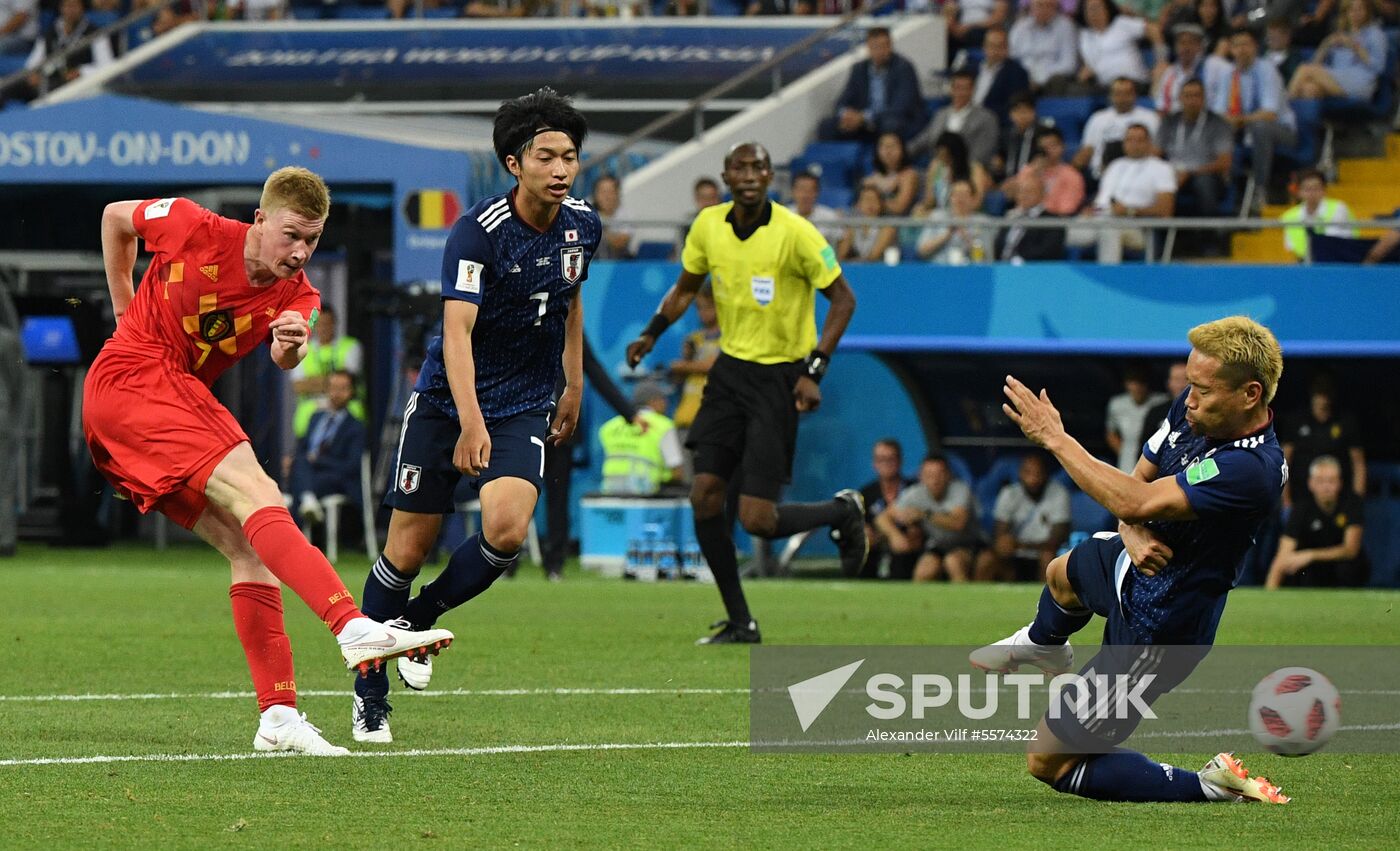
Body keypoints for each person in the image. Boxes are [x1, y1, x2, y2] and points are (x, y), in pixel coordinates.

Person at [84, 167, 453, 756]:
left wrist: (290, 346)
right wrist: (125, 307)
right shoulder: (191, 225)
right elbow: (113, 218)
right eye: (291, 235)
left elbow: (288, 357)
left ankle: (277, 715)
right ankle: (352, 627)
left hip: (143, 408)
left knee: (248, 545)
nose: (301, 251)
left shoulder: (299, 294)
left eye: (312, 240)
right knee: (262, 494)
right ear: (259, 220)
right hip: (135, 377)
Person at [351, 88, 597, 742]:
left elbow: (568, 303)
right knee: (406, 548)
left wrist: (572, 384)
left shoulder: (583, 225)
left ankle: (416, 622)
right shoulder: (476, 233)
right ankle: (369, 689)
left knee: (509, 528)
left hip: (522, 402)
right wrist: (469, 419)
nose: (561, 168)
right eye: (546, 156)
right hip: (446, 401)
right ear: (514, 164)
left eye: (569, 156)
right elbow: (455, 332)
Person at [971, 315, 1291, 805]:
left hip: (1159, 630)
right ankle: (1041, 645)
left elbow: (1135, 501)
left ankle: (1211, 785)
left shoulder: (1253, 470)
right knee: (1061, 575)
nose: (1189, 399)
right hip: (1132, 563)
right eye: (1188, 384)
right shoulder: (1192, 410)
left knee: (1047, 761)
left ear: (1250, 394)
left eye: (1203, 389)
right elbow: (1135, 488)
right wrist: (1131, 530)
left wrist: (1057, 439)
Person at [624, 141, 865, 645]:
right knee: (705, 495)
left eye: (759, 166)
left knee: (757, 519)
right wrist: (651, 331)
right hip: (730, 371)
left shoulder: (797, 233)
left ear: (770, 175)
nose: (751, 174)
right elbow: (687, 287)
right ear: (727, 175)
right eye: (741, 166)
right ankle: (740, 620)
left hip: (779, 376)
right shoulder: (708, 225)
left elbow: (843, 300)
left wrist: (814, 371)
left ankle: (841, 511)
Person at [1207, 28, 1296, 209]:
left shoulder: (1267, 70)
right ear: (1231, 50)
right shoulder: (1228, 74)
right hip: (1243, 130)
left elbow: (1269, 113)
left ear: (1255, 47)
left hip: (1281, 132)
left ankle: (1260, 189)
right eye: (1236, 46)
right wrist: (1230, 121)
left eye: (1245, 45)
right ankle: (1223, 188)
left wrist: (1238, 120)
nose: (1241, 50)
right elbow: (1218, 112)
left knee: (1260, 127)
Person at [1267, 455, 1367, 588]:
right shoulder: (1300, 509)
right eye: (1320, 481)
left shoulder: (1351, 504)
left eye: (1331, 481)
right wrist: (1270, 591)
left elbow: (1350, 549)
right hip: (1312, 572)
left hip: (1344, 569)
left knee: (1348, 568)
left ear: (1340, 483)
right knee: (1294, 566)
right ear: (1311, 483)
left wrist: (1310, 555)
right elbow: (1283, 556)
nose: (1326, 487)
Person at [288, 370, 367, 534]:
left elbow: (351, 466)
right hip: (309, 472)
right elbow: (302, 448)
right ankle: (308, 499)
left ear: (351, 391)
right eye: (333, 388)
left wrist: (317, 460)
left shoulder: (356, 427)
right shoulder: (315, 417)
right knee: (299, 463)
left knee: (301, 478)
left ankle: (294, 536)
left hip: (335, 478)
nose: (336, 393)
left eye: (342, 388)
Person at [1082, 123, 1176, 258]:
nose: (1134, 144)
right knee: (1058, 229)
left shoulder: (1162, 168)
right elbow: (1103, 204)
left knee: (1109, 231)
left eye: (1139, 140)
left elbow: (1166, 210)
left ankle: (1109, 276)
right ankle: (1055, 277)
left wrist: (1129, 211)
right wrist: (1093, 210)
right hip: (1099, 220)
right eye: (1129, 140)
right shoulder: (1115, 166)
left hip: (1137, 227)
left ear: (1149, 142)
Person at [974, 453, 1071, 582]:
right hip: (1014, 555)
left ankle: (1047, 600)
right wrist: (1004, 543)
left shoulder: (1059, 494)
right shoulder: (1009, 494)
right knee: (986, 558)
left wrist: (1020, 545)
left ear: (1046, 474)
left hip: (1042, 553)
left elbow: (1057, 540)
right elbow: (999, 534)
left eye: (1038, 473)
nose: (1033, 479)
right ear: (1020, 473)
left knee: (1048, 557)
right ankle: (980, 599)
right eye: (1028, 473)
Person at [820, 27, 928, 143]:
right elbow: (842, 101)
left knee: (890, 124)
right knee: (826, 126)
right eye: (874, 47)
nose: (879, 51)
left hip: (891, 119)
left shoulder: (903, 68)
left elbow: (899, 108)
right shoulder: (859, 68)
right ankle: (845, 158)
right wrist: (846, 114)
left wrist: (863, 117)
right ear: (868, 48)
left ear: (890, 46)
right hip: (864, 121)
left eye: (883, 46)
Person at [884, 454, 981, 582]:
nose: (935, 480)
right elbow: (883, 517)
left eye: (939, 474)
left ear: (948, 475)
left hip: (967, 544)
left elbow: (958, 523)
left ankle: (962, 602)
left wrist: (925, 514)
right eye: (929, 475)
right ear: (921, 476)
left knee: (953, 563)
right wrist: (894, 535)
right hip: (938, 545)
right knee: (924, 571)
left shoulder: (960, 491)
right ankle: (921, 602)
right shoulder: (915, 494)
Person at [1279, 374, 1366, 511]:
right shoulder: (1295, 421)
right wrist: (1286, 501)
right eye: (1319, 392)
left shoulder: (1346, 422)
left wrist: (1357, 502)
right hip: (1300, 500)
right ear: (1311, 394)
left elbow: (1358, 464)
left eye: (1326, 392)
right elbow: (1284, 461)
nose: (1322, 398)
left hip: (1338, 502)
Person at [1156, 78, 1233, 227]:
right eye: (1187, 96)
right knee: (1155, 180)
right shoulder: (1169, 121)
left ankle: (1208, 239)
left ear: (1203, 99)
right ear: (1180, 98)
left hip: (1206, 174)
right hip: (1173, 174)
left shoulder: (1217, 123)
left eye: (1196, 96)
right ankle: (1161, 239)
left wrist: (1190, 172)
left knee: (1204, 183)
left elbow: (1224, 162)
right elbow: (1155, 153)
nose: (1192, 101)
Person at [289, 303, 364, 439]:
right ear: (313, 325)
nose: (324, 328)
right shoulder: (303, 349)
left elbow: (346, 382)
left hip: (345, 412)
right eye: (320, 324)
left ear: (335, 323)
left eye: (328, 323)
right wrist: (334, 382)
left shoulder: (351, 346)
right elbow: (298, 386)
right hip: (309, 415)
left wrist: (312, 382)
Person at [1287, 0, 1388, 100]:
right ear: (1346, 12)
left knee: (1304, 69)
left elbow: (1378, 67)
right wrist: (1326, 44)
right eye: (1351, 9)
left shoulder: (1375, 34)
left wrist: (1354, 46)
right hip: (1337, 76)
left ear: (1367, 11)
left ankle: (1282, 108)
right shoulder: (1342, 33)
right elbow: (1316, 64)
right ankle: (1309, 115)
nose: (1355, 13)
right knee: (1310, 89)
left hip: (1360, 81)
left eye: (1359, 9)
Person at [599, 381, 684, 495]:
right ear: (653, 401)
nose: (666, 403)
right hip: (647, 493)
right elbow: (677, 472)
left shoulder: (610, 426)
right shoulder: (663, 425)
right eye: (663, 399)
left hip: (610, 491)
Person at [15, 0, 113, 99]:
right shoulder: (51, 31)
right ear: (61, 8)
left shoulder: (95, 33)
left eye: (74, 6)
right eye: (66, 6)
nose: (70, 10)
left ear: (82, 8)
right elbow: (33, 61)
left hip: (76, 87)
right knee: (11, 88)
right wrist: (33, 73)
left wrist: (82, 71)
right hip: (49, 80)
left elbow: (107, 66)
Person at [1074, 77, 1162, 179]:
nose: (1122, 98)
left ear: (1135, 95)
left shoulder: (1150, 118)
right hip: (1100, 175)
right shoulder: (1097, 118)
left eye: (1127, 93)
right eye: (1118, 94)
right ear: (1110, 96)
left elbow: (1157, 150)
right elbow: (1087, 150)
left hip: (1139, 174)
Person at [912, 70, 1000, 170]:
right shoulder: (941, 115)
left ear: (972, 90)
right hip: (938, 168)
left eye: (965, 88)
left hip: (968, 171)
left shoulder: (986, 118)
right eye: (957, 88)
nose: (960, 92)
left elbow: (982, 154)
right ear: (951, 89)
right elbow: (924, 139)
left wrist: (955, 169)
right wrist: (900, 152)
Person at [857, 438, 919, 579]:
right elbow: (863, 528)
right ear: (874, 463)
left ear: (900, 461)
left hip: (908, 552)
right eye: (881, 459)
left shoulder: (914, 490)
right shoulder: (866, 494)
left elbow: (917, 531)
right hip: (876, 550)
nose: (886, 464)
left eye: (891, 458)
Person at [1076, 0, 1163, 90]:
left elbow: (1154, 30)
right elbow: (1090, 64)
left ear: (1107, 9)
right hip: (1106, 88)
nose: (1094, 13)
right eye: (1090, 9)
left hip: (1134, 84)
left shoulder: (1121, 24)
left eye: (1097, 8)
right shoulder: (1084, 36)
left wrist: (1161, 61)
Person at [670, 286, 721, 432]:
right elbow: (678, 380)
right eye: (699, 307)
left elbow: (713, 366)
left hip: (713, 419)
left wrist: (682, 365)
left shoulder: (728, 339)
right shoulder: (693, 339)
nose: (703, 312)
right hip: (686, 416)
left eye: (708, 306)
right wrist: (686, 358)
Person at [1279, 169, 1356, 262]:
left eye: (1316, 188)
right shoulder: (1289, 216)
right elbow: (1291, 246)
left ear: (1324, 190)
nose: (1312, 193)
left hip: (1336, 261)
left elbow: (1336, 242)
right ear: (1299, 192)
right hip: (1303, 263)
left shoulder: (1338, 208)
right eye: (1307, 189)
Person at [1105, 363, 1170, 472]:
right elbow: (1111, 434)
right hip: (1127, 457)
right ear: (1127, 384)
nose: (1137, 387)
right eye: (1133, 383)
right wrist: (1124, 451)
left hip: (1154, 456)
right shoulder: (1117, 404)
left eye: (1141, 383)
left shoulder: (1161, 402)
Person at [917, 179, 994, 264]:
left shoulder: (982, 222)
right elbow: (922, 250)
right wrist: (946, 236)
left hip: (969, 271)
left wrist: (966, 237)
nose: (959, 199)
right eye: (956, 194)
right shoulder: (937, 217)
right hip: (939, 269)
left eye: (964, 195)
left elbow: (987, 258)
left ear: (972, 198)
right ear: (950, 198)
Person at [1010, 0, 1080, 92]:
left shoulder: (1066, 27)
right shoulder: (1020, 27)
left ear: (1056, 7)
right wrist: (1026, 77)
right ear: (1031, 6)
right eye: (1039, 5)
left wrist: (1040, 78)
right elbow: (1011, 57)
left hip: (1049, 81)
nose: (1043, 10)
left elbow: (1069, 64)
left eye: (1049, 6)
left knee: (1057, 81)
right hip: (1022, 79)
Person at [1013, 127, 1086, 216]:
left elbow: (1067, 210)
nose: (1048, 151)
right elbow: (1020, 200)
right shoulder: (1029, 170)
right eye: (1043, 147)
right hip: (1024, 218)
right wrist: (1035, 173)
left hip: (1054, 223)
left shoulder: (1072, 176)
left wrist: (1041, 209)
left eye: (1052, 146)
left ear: (1062, 146)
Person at [917, 132, 994, 213]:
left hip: (969, 216)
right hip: (943, 216)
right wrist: (922, 208)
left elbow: (978, 201)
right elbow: (930, 201)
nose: (944, 161)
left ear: (957, 155)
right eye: (941, 156)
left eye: (947, 157)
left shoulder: (975, 169)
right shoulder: (936, 167)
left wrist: (959, 212)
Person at [996, 175, 1066, 261]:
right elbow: (998, 245)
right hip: (1000, 267)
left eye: (1029, 191)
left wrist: (1017, 261)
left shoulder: (1053, 222)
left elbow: (1047, 252)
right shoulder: (1010, 216)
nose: (1024, 195)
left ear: (1042, 194)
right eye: (1021, 191)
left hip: (1031, 270)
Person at [972, 28, 1032, 123]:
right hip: (967, 117)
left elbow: (1013, 107)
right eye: (991, 45)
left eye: (1000, 46)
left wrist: (982, 116)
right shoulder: (972, 68)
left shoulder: (1017, 73)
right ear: (984, 47)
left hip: (993, 122)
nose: (995, 50)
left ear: (1007, 48)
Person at [860, 132, 921, 217]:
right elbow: (862, 207)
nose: (888, 151)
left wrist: (877, 198)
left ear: (902, 149)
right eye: (883, 147)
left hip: (901, 223)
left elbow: (900, 208)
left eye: (892, 146)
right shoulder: (874, 176)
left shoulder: (909, 175)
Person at [1133, 359, 1188, 451]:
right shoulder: (1156, 412)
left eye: (1185, 379)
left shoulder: (1202, 411)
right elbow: (1145, 448)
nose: (1181, 385)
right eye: (1177, 379)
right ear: (1168, 383)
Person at [837, 185, 898, 263]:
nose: (870, 204)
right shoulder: (852, 226)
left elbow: (873, 257)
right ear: (858, 204)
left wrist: (854, 262)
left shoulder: (888, 228)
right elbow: (841, 256)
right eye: (866, 200)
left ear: (881, 204)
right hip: (857, 267)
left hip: (879, 269)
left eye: (874, 200)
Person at [788, 172, 844, 246]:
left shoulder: (829, 216)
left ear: (817, 193)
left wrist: (834, 258)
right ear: (793, 192)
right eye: (801, 189)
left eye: (810, 190)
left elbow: (844, 237)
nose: (805, 195)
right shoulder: (782, 215)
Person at [591, 174, 634, 259]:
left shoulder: (625, 215)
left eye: (610, 192)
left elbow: (620, 243)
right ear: (595, 195)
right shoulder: (585, 213)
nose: (607, 197)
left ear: (618, 194)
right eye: (603, 192)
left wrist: (602, 231)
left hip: (618, 263)